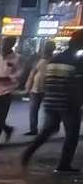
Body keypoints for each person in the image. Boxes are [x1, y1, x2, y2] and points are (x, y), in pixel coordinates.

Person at [22, 30, 83, 174]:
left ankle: (27, 154)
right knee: (72, 135)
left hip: (51, 101)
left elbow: (47, 80)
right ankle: (64, 164)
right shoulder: (78, 60)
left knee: (47, 131)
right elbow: (78, 84)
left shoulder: (55, 59)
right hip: (69, 103)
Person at [0, 38, 20, 146]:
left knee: (0, 117)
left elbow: (18, 75)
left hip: (6, 91)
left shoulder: (17, 58)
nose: (3, 47)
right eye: (3, 44)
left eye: (6, 44)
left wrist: (7, 78)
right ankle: (7, 129)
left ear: (12, 45)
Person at [24, 41, 55, 135]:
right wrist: (28, 86)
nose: (47, 49)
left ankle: (47, 129)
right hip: (36, 88)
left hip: (48, 88)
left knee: (47, 111)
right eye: (46, 47)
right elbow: (32, 73)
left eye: (49, 48)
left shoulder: (54, 59)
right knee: (34, 110)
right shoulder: (38, 59)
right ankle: (34, 129)